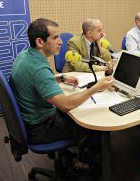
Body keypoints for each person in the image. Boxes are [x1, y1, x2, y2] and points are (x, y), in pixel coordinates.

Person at [10, 18, 113, 172]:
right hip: (40, 129)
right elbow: (65, 105)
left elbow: (34, 81)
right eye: (55, 37)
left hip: (32, 118)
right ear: (40, 42)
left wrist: (61, 78)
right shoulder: (38, 69)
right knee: (94, 123)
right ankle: (83, 162)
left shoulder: (25, 56)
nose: (60, 42)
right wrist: (96, 88)